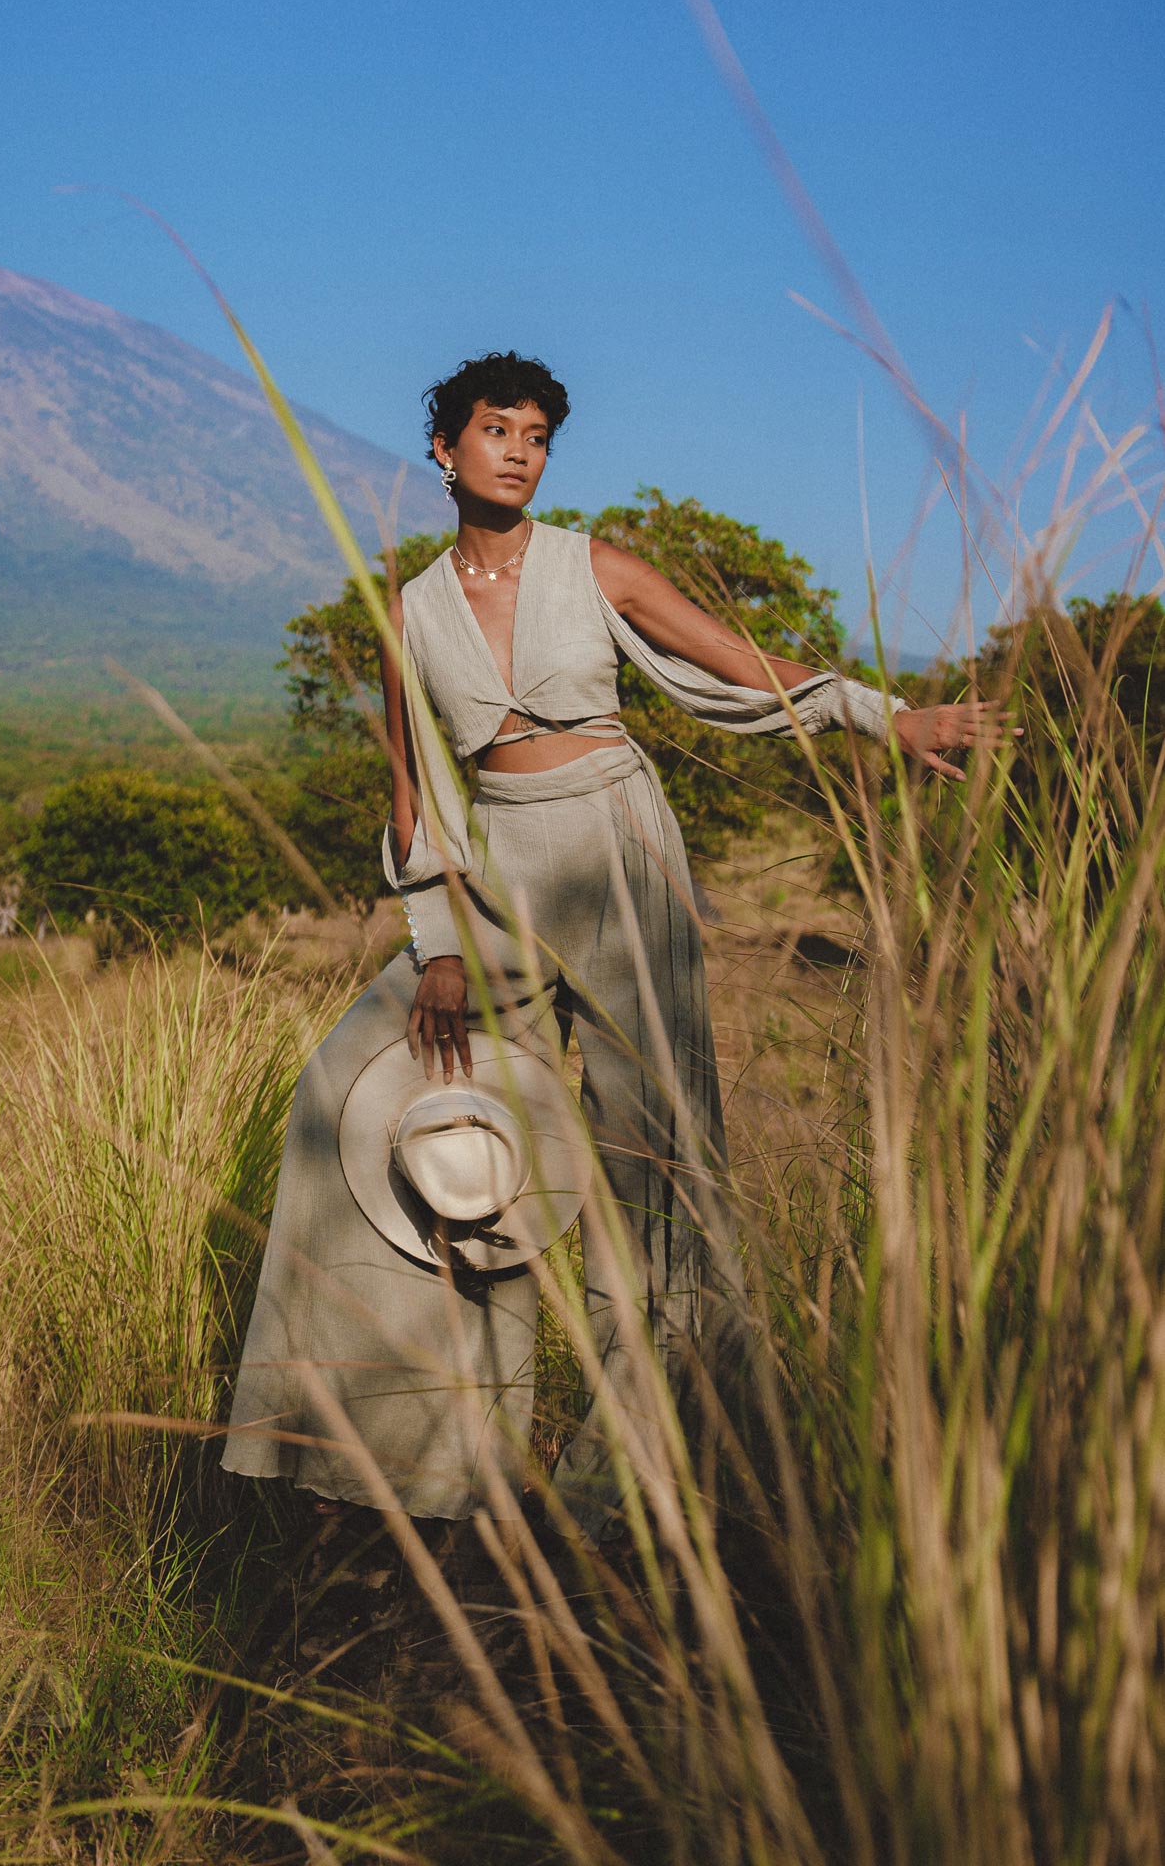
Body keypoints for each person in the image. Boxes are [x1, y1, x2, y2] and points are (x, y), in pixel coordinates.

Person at [221, 351, 999, 1537]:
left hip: (620, 849)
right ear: (444, 448)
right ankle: (420, 1448)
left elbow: (746, 668)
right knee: (377, 1092)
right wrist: (439, 941)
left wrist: (887, 717)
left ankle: (636, 1470)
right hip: (499, 880)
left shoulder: (597, 567)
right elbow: (414, 795)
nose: (520, 451)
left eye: (538, 435)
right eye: (498, 428)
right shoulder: (409, 614)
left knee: (654, 1152)